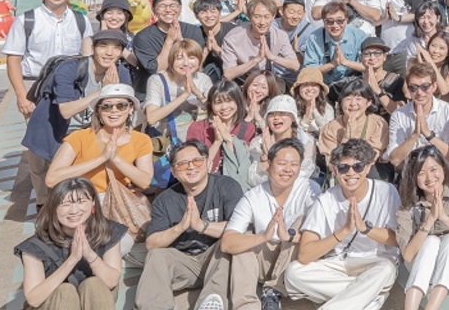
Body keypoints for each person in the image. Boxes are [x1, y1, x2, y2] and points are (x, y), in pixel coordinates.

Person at [4, 0, 95, 207]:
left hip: (70, 87)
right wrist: (21, 95)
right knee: (39, 147)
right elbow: (13, 59)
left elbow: (88, 54)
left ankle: (72, 196)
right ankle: (44, 202)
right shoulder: (26, 20)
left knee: (72, 140)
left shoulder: (80, 20)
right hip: (36, 86)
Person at [22, 30, 133, 211]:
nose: (109, 52)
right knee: (42, 177)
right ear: (93, 48)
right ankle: (43, 213)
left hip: (84, 131)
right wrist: (103, 90)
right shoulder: (70, 68)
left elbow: (124, 106)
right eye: (103, 46)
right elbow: (66, 111)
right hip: (50, 127)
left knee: (70, 183)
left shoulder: (122, 72)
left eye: (116, 48)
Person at [284, 139, 400, 310]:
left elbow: (398, 240)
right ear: (335, 170)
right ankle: (370, 295)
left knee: (386, 269)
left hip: (375, 262)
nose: (351, 173)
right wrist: (344, 231)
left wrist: (365, 228)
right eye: (343, 167)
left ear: (368, 167)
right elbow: (305, 255)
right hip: (338, 264)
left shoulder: (387, 192)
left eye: (358, 166)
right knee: (294, 273)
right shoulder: (325, 200)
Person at [137, 140, 242, 310]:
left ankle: (210, 302)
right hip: (183, 262)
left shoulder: (227, 186)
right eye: (183, 164)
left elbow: (238, 230)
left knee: (227, 243)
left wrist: (202, 226)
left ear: (208, 163)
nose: (191, 167)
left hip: (216, 260)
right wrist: (180, 227)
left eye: (197, 161)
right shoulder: (165, 199)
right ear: (174, 171)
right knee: (156, 256)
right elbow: (151, 243)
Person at [221, 138, 319, 310]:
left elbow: (319, 234)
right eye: (281, 163)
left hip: (292, 260)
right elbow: (227, 243)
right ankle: (245, 305)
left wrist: (288, 235)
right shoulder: (253, 196)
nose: (288, 170)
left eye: (294, 164)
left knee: (301, 224)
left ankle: (272, 291)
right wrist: (262, 237)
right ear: (268, 165)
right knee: (244, 240)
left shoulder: (310, 189)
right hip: (263, 259)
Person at [16, 178, 126, 310]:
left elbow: (111, 282)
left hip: (95, 299)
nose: (74, 210)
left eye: (81, 202)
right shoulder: (35, 246)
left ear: (93, 204)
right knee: (65, 291)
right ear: (53, 208)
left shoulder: (108, 231)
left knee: (94, 284)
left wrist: (90, 255)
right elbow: (34, 299)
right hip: (53, 304)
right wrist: (72, 260)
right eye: (65, 204)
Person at [397, 145, 449, 310]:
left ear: (443, 168)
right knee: (431, 241)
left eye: (434, 169)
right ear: (413, 177)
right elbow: (408, 255)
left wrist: (443, 218)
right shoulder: (408, 202)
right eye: (421, 173)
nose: (429, 177)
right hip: (420, 265)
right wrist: (430, 219)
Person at [46, 83, 153, 195]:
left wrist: (115, 158)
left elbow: (145, 182)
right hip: (85, 202)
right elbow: (51, 180)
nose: (114, 110)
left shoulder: (142, 140)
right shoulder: (78, 138)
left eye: (121, 105)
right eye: (106, 106)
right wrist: (102, 158)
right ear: (98, 111)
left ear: (131, 109)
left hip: (119, 202)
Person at [133, 0, 206, 97]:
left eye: (172, 6)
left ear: (180, 9)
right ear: (154, 10)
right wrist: (169, 41)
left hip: (189, 86)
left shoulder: (193, 31)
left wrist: (180, 41)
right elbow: (157, 69)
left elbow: (194, 64)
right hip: (157, 90)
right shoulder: (143, 37)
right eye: (162, 6)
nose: (168, 10)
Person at [186, 81, 258, 189]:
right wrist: (217, 142)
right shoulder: (198, 128)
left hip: (235, 186)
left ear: (238, 101)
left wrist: (229, 140)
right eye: (218, 102)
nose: (224, 107)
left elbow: (244, 165)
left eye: (229, 101)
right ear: (211, 105)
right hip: (206, 185)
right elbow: (196, 167)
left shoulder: (248, 128)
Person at [386, 62, 449, 168]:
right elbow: (395, 160)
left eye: (425, 87)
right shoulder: (398, 115)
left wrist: (428, 134)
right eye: (413, 88)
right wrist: (414, 136)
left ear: (434, 87)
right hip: (411, 174)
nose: (419, 92)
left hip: (443, 173)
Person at [145, 39, 215, 144]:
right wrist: (185, 95)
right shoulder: (157, 80)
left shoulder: (203, 79)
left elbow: (216, 112)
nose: (186, 63)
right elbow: (151, 118)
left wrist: (197, 92)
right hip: (167, 140)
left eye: (192, 58)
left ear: (199, 61)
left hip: (198, 139)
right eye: (179, 58)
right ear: (171, 61)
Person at [317, 78, 391, 175]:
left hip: (369, 173)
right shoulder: (330, 128)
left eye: (359, 99)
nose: (352, 103)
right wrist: (347, 136)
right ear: (341, 102)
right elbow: (332, 163)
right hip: (342, 174)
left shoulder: (378, 123)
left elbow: (373, 155)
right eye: (348, 98)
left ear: (369, 102)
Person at [222, 0, 301, 84]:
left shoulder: (280, 35)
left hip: (269, 81)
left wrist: (272, 57)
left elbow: (295, 65)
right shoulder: (233, 38)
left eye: (266, 17)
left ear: (273, 16)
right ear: (249, 17)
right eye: (257, 17)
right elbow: (228, 74)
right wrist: (256, 60)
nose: (262, 22)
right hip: (244, 81)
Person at [249, 95, 318, 188]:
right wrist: (265, 161)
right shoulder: (258, 143)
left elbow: (303, 174)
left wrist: (272, 159)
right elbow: (252, 179)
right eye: (271, 114)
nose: (276, 117)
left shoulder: (306, 141)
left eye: (282, 113)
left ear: (293, 118)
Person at [194, 0, 237, 82]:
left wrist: (217, 49)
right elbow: (193, 69)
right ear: (196, 16)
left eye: (213, 11)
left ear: (219, 13)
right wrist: (206, 51)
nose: (209, 16)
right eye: (203, 12)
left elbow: (240, 61)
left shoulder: (233, 31)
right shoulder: (194, 34)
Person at [359, 36, 405, 117]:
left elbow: (399, 113)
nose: (372, 57)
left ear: (384, 57)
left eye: (377, 53)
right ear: (361, 57)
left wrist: (377, 90)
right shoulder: (355, 81)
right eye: (367, 54)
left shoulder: (396, 81)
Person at [290, 67, 333, 137]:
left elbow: (328, 132)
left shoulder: (327, 108)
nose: (310, 89)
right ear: (299, 88)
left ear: (320, 88)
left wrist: (315, 112)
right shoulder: (291, 106)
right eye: (305, 85)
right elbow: (293, 135)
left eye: (314, 85)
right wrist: (306, 118)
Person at [95, 0, 137, 67]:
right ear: (102, 16)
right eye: (109, 13)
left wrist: (113, 40)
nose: (114, 17)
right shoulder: (91, 39)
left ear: (126, 17)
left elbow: (136, 63)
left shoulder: (133, 38)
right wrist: (103, 36)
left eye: (119, 13)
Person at [242, 68, 281, 133]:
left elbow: (272, 134)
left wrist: (258, 117)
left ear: (269, 92)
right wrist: (249, 117)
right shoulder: (236, 105)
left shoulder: (271, 109)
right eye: (255, 85)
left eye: (264, 87)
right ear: (247, 85)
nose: (257, 90)